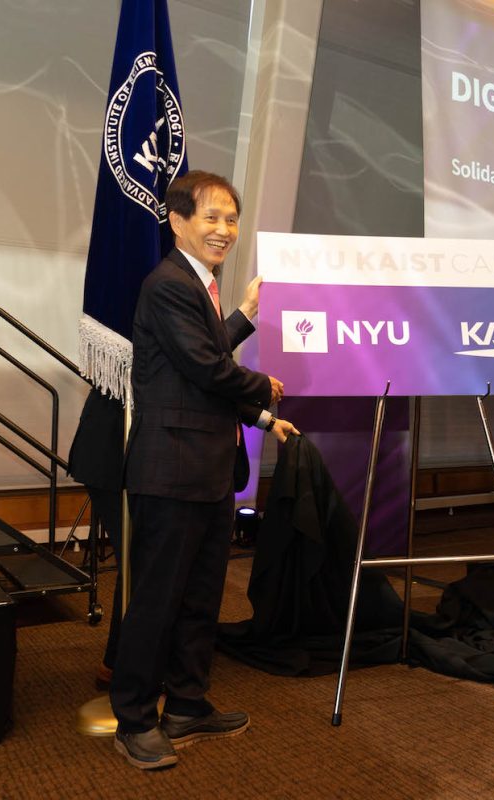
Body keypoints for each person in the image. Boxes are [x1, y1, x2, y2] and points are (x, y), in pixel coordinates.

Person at [110, 170, 299, 770]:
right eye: (212, 218)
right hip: (169, 472)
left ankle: (187, 704)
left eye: (232, 219)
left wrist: (242, 320)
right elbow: (208, 368)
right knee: (157, 601)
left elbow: (202, 358)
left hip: (209, 471)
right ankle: (135, 719)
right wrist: (262, 388)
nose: (224, 230)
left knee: (199, 599)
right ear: (179, 221)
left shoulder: (203, 288)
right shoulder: (169, 284)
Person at [67, 386, 126, 688]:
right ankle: (118, 665)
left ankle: (120, 662)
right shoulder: (127, 340)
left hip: (115, 455)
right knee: (138, 563)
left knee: (139, 562)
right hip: (111, 455)